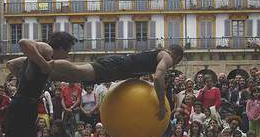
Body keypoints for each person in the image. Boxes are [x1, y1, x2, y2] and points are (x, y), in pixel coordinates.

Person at [49, 45, 184, 120]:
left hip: (117, 69)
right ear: (176, 56)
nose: (172, 65)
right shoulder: (167, 57)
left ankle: (47, 74)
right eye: (176, 63)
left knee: (76, 77)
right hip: (117, 67)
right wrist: (161, 105)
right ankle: (46, 64)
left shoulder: (158, 55)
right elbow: (158, 77)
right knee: (78, 72)